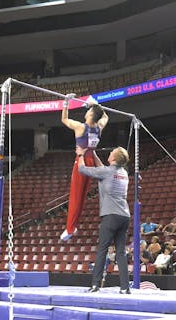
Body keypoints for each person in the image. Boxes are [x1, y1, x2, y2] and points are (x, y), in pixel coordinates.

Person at [76, 145, 130, 294]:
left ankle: (95, 285)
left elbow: (82, 170)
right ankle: (125, 288)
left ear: (114, 157)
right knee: (121, 252)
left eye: (112, 151)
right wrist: (93, 153)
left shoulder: (106, 172)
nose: (110, 152)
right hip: (124, 215)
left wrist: (81, 155)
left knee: (102, 250)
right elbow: (102, 168)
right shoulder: (123, 172)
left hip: (110, 215)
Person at [60, 94, 109, 241]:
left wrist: (66, 102)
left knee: (75, 195)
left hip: (81, 162)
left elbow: (63, 119)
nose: (86, 112)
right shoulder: (99, 127)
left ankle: (69, 229)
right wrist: (96, 104)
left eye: (88, 110)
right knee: (81, 196)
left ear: (91, 115)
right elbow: (105, 117)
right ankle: (72, 227)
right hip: (91, 162)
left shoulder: (81, 127)